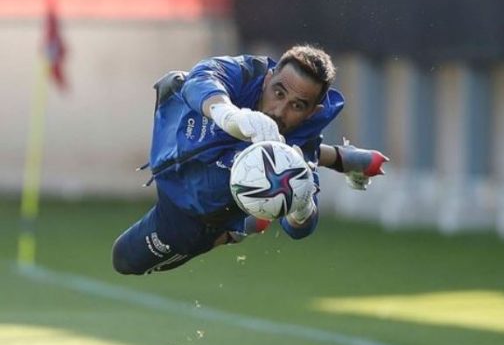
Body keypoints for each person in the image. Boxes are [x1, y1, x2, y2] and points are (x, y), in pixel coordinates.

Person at [112, 45, 388, 275]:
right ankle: (342, 157)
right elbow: (203, 78)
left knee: (124, 260)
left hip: (191, 208)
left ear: (312, 112)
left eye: (297, 105)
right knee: (178, 82)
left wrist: (300, 206)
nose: (279, 110)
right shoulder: (246, 73)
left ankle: (235, 230)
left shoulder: (294, 151)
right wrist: (231, 116)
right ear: (268, 78)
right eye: (278, 93)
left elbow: (299, 229)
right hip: (173, 134)